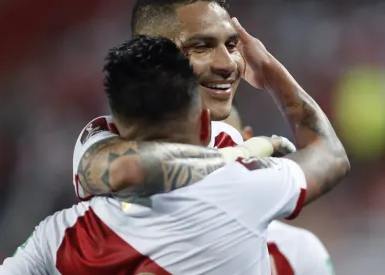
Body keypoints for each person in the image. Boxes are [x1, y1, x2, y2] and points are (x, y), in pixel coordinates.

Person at [0, 34, 347, 275]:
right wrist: (269, 73)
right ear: (206, 129)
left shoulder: (60, 239)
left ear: (115, 132)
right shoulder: (251, 191)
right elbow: (330, 157)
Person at [71, 1, 349, 274]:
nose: (227, 64)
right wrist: (237, 158)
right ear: (152, 57)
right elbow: (123, 169)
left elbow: (332, 156)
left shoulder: (229, 142)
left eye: (231, 45)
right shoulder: (106, 135)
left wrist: (268, 71)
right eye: (201, 46)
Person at [223, 104, 335, 275]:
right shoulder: (169, 246)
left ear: (248, 142)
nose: (213, 162)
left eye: (224, 144)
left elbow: (333, 159)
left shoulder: (299, 252)